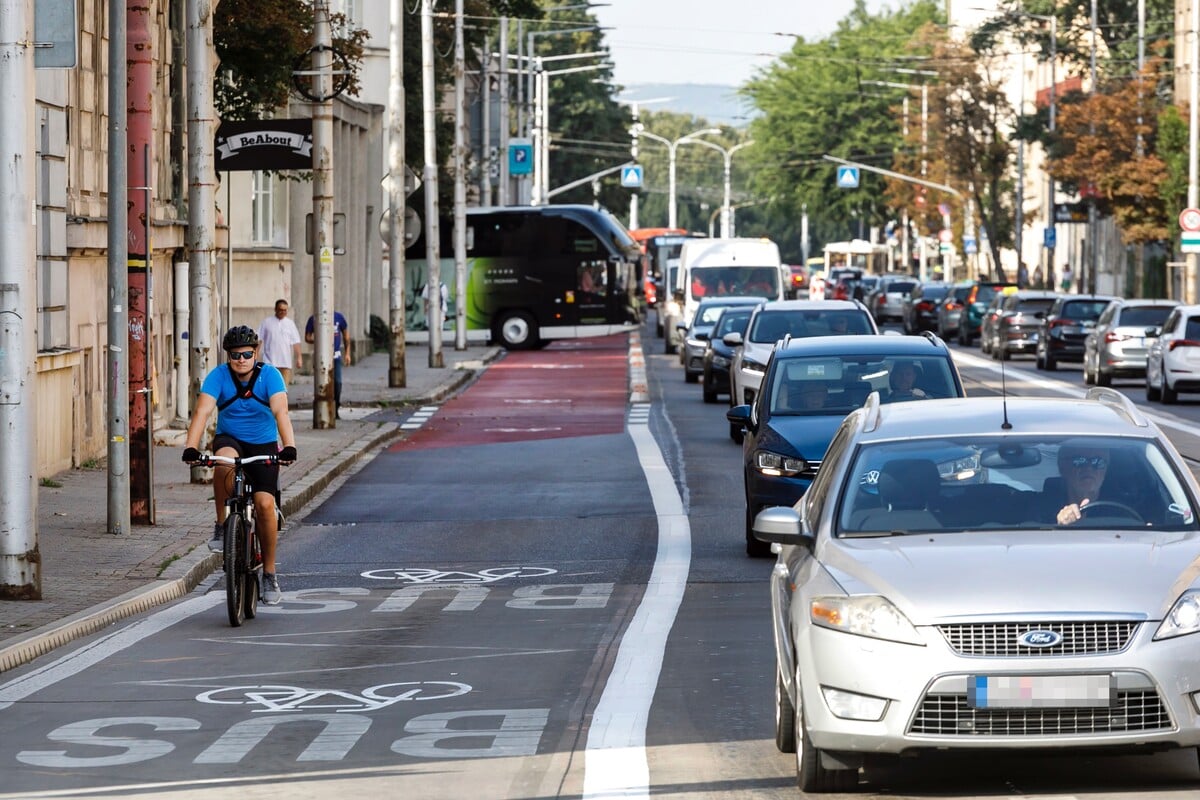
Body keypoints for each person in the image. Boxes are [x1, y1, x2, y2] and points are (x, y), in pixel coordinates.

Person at [181, 325, 296, 605]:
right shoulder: (218, 376)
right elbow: (202, 411)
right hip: (230, 438)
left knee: (265, 504)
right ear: (228, 356)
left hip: (263, 444)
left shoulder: (270, 376)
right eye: (235, 355)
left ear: (255, 352)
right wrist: (190, 446)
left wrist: (289, 445)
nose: (241, 360)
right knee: (224, 466)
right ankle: (222, 525)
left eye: (246, 354)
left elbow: (281, 411)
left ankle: (269, 573)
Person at [304, 310, 352, 418]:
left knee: (337, 382)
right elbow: (307, 337)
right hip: (321, 355)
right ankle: (323, 408)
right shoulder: (314, 318)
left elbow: (346, 336)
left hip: (336, 356)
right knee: (323, 382)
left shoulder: (339, 317)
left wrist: (348, 354)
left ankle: (336, 406)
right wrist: (320, 340)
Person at [1051, 443, 1110, 525]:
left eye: (1097, 462)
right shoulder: (1039, 509)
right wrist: (1059, 527)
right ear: (1062, 467)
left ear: (1106, 470)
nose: (1089, 468)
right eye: (1079, 461)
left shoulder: (1124, 513)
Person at [257, 298, 302, 384]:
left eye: (285, 310)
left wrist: (299, 357)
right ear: (275, 309)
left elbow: (296, 341)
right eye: (281, 310)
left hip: (285, 363)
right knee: (270, 387)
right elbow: (259, 339)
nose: (283, 312)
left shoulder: (290, 324)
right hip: (270, 362)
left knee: (283, 389)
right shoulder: (267, 322)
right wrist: (255, 354)